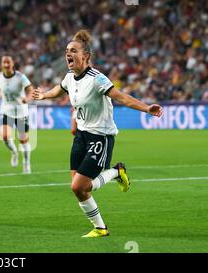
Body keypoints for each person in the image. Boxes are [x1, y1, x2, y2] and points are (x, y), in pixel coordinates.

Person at [33, 30, 162, 237]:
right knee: (79, 188)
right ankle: (101, 224)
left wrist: (147, 108)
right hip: (81, 136)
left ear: (85, 56)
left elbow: (121, 97)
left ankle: (115, 175)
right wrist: (44, 95)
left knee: (79, 186)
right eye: (67, 51)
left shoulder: (97, 79)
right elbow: (60, 89)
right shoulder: (69, 77)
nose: (68, 54)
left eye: (73, 50)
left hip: (100, 137)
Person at [0, 55, 34, 174]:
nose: (6, 64)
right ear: (2, 64)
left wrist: (28, 99)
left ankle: (26, 162)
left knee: (23, 140)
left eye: (8, 62)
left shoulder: (20, 77)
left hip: (21, 111)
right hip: (6, 110)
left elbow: (30, 90)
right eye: (4, 62)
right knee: (5, 136)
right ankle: (14, 152)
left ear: (12, 63)